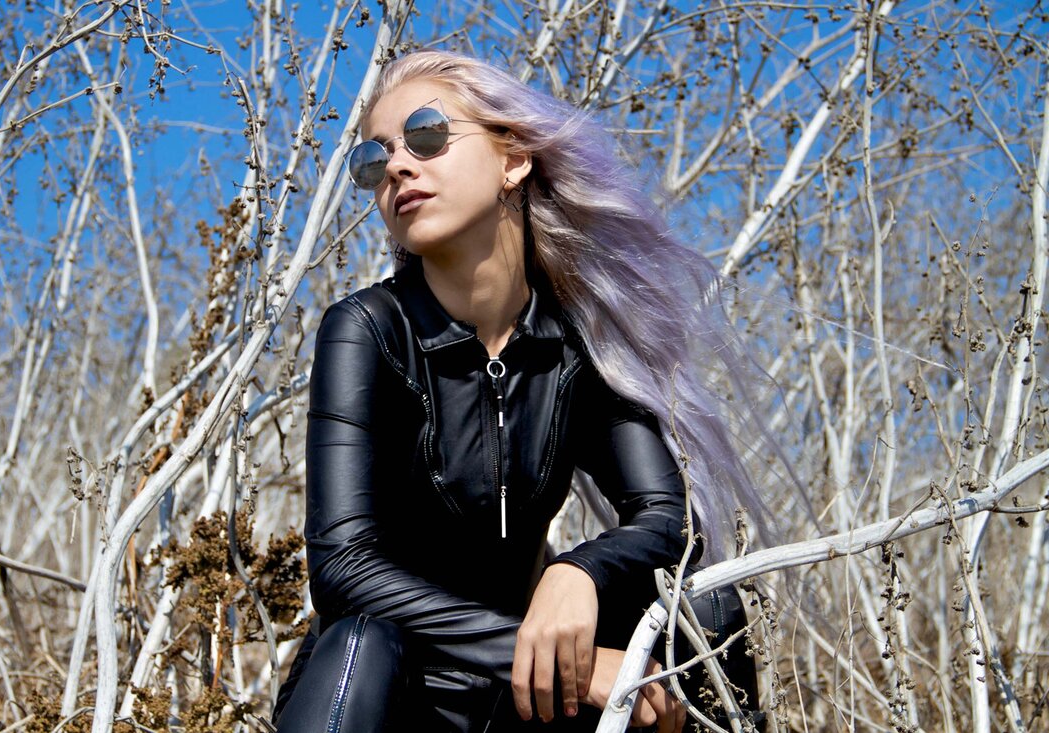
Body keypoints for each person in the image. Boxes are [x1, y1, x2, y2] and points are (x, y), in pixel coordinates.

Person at [273, 49, 763, 732]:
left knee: (706, 605)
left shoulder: (575, 343)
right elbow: (342, 566)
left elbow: (666, 518)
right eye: (373, 160)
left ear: (513, 160)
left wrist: (579, 572)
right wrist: (568, 661)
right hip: (397, 694)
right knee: (359, 642)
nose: (396, 167)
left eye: (425, 135)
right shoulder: (366, 329)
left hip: (529, 705)